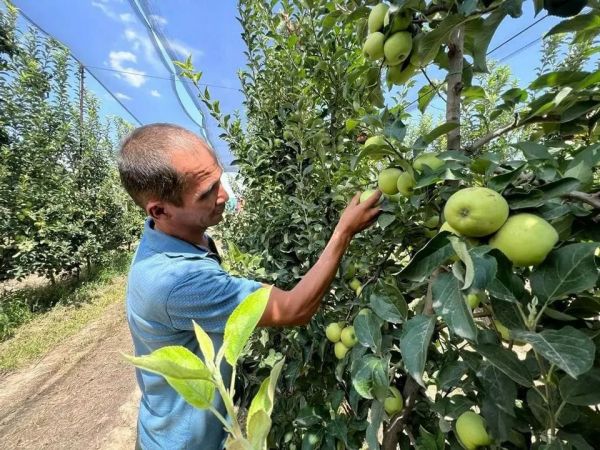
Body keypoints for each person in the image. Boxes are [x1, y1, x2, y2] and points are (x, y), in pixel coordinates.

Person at [117, 123, 382, 450]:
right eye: (207, 192)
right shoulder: (178, 281)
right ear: (160, 210)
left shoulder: (165, 239)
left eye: (219, 181)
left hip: (163, 427)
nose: (224, 195)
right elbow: (293, 308)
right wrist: (343, 231)